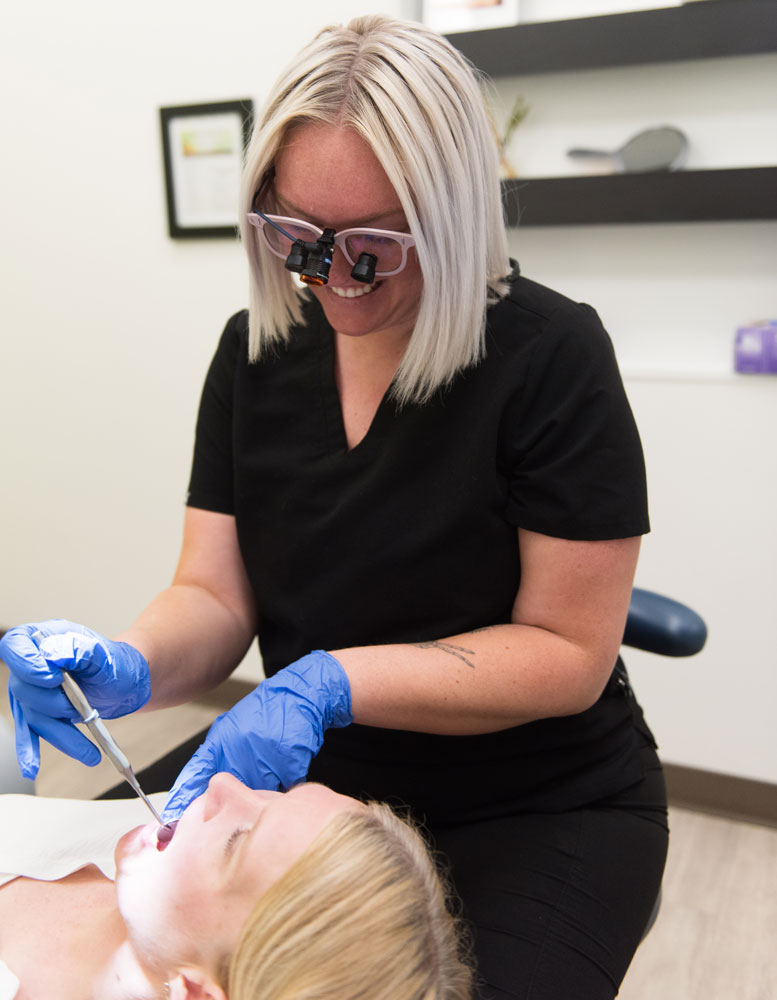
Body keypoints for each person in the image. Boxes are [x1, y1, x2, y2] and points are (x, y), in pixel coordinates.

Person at [1, 15, 669, 999]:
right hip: (313, 793)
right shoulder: (255, 355)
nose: (332, 281)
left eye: (374, 246)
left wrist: (327, 682)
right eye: (298, 239)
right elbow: (214, 597)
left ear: (449, 220)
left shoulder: (550, 358)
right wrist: (131, 665)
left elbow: (571, 654)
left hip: (533, 803)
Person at [0, 773, 470, 1000]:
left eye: (236, 840)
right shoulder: (157, 843)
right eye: (281, 793)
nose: (223, 783)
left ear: (200, 993)